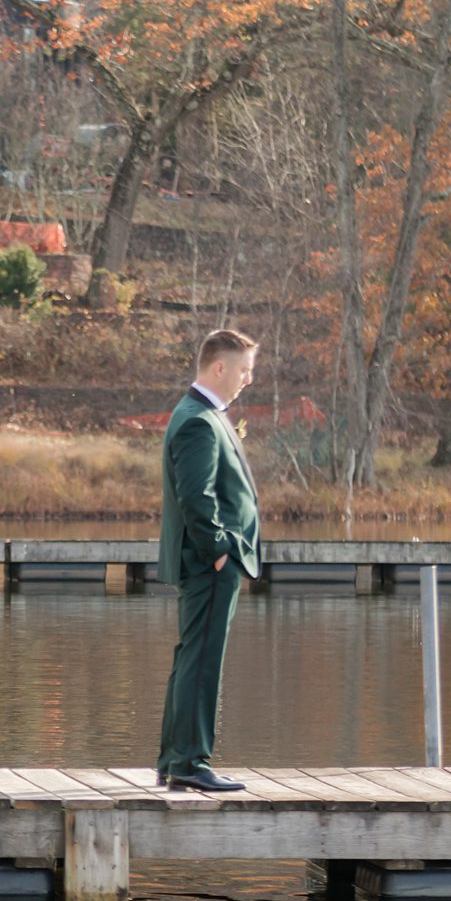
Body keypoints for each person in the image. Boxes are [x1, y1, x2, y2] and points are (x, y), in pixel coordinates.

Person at [156, 330, 261, 792]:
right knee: (202, 661)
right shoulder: (198, 420)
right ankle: (191, 762)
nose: (248, 378)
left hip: (206, 562)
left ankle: (174, 759)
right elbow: (196, 496)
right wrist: (220, 550)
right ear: (219, 367)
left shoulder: (201, 414)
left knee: (191, 658)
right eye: (243, 369)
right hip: (208, 563)